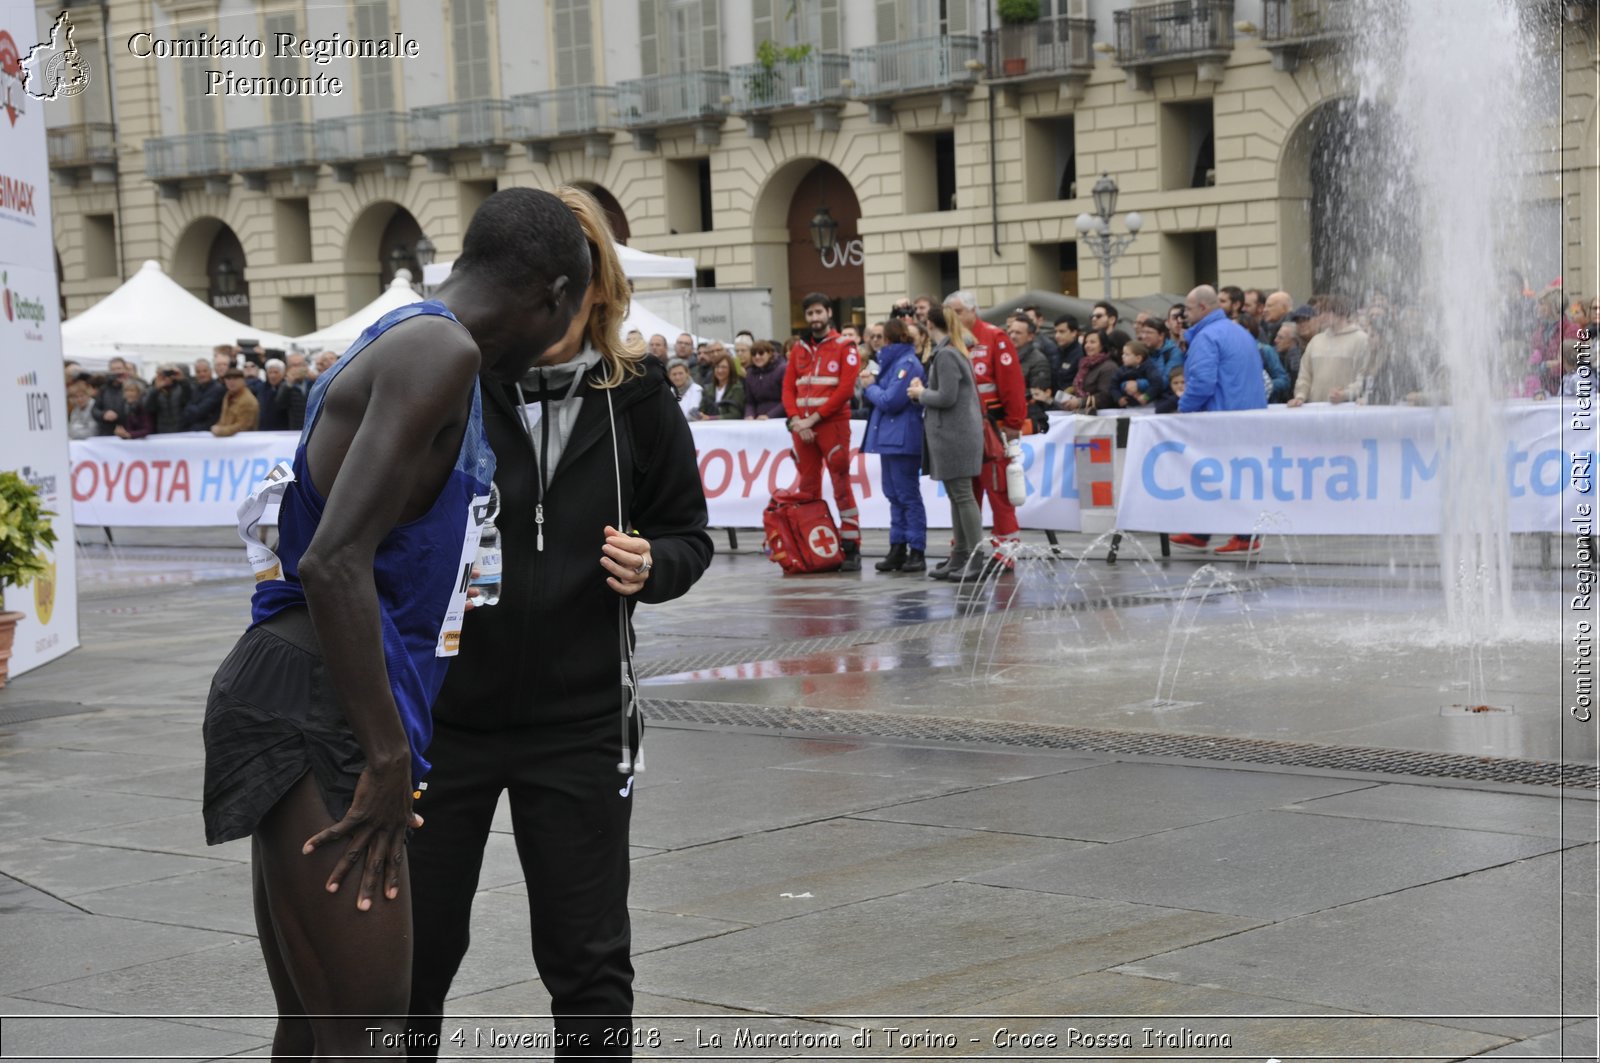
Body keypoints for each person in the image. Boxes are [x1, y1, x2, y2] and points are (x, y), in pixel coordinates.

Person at [201, 187, 591, 1058]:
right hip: (319, 703)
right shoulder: (439, 351)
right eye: (571, 319)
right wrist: (384, 757)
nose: (560, 343)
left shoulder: (415, 339)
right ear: (552, 294)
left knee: (314, 1031)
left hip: (295, 686)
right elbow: (332, 559)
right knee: (370, 1039)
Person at [406, 187, 712, 1058]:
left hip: (583, 724)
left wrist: (655, 565)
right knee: (415, 957)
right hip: (445, 722)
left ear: (593, 290)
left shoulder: (641, 397)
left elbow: (689, 534)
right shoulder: (455, 377)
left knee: (588, 962)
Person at [1169, 285, 1269, 555]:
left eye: (1188, 309)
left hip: (1221, 418)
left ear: (1203, 308)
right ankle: (1202, 532)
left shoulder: (1207, 336)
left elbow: (1201, 383)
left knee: (1218, 476)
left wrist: (1184, 409)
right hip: (1247, 415)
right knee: (1226, 476)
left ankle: (1245, 539)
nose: (1185, 315)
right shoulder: (1238, 332)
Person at [782, 292, 863, 572]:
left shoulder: (845, 346)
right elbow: (788, 388)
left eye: (819, 312)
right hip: (802, 428)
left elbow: (845, 390)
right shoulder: (799, 348)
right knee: (808, 489)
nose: (814, 318)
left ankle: (851, 545)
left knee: (841, 485)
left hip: (831, 426)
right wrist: (795, 420)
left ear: (829, 313)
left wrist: (811, 420)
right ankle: (814, 547)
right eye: (810, 313)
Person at [944, 290, 1025, 561]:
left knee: (998, 491)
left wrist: (1012, 424)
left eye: (958, 312)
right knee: (967, 493)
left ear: (972, 311)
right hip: (963, 430)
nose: (953, 317)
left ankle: (1005, 554)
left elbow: (1012, 385)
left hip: (992, 429)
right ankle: (966, 550)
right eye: (950, 312)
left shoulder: (994, 338)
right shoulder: (951, 342)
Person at [907, 307, 984, 583]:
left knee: (962, 495)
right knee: (957, 495)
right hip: (954, 433)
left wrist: (920, 393)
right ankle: (961, 554)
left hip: (956, 434)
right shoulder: (951, 350)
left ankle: (975, 556)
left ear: (929, 323)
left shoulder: (947, 354)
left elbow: (947, 397)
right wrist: (925, 392)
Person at [862, 316, 927, 573]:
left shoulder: (906, 364)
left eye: (879, 337)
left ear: (889, 338)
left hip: (902, 437)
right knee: (893, 494)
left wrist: (869, 388)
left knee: (907, 495)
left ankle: (916, 549)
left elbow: (891, 400)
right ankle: (897, 546)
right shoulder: (890, 362)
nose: (875, 342)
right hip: (890, 437)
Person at [1289, 294, 1369, 406]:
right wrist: (1300, 397)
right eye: (1319, 313)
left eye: (1326, 312)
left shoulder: (1361, 339)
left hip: (1347, 409)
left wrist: (1345, 394)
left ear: (1341, 312)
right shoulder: (1316, 341)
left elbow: (1363, 377)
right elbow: (1305, 375)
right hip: (1316, 409)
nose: (1320, 317)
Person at [695, 347, 746, 420]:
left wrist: (711, 418)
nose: (720, 370)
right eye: (717, 367)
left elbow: (735, 414)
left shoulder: (736, 388)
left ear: (730, 369)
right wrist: (698, 415)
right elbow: (702, 410)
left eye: (724, 367)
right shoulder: (708, 389)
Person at [1114, 340, 1165, 408]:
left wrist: (1147, 396)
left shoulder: (1149, 368)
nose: (1123, 356)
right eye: (1123, 354)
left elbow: (1157, 383)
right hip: (1129, 406)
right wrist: (1118, 398)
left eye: (1127, 354)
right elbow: (1113, 384)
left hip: (1148, 406)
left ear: (1138, 358)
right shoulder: (1122, 370)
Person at [742, 340, 786, 419]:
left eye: (761, 353)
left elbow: (787, 400)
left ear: (769, 354)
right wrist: (749, 415)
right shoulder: (750, 373)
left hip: (780, 419)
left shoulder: (782, 369)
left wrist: (769, 415)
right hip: (758, 419)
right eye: (754, 354)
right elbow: (750, 402)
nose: (757, 357)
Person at [211, 368, 261, 436]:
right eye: (228, 379)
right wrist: (218, 426)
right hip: (228, 439)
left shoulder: (248, 400)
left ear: (243, 380)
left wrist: (221, 431)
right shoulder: (228, 395)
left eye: (235, 379)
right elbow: (223, 419)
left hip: (244, 440)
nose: (231, 382)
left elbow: (243, 426)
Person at [145, 364, 193, 434]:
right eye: (163, 374)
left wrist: (182, 380)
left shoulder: (181, 387)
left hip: (182, 429)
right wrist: (156, 389)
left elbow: (190, 400)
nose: (167, 377)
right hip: (161, 431)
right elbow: (148, 408)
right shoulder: (152, 389)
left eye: (169, 374)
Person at [181, 358, 224, 431]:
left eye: (205, 371)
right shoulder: (196, 388)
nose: (202, 374)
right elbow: (186, 410)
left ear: (211, 371)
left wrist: (190, 408)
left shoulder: (217, 389)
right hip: (194, 429)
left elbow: (200, 411)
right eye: (198, 372)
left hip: (208, 431)